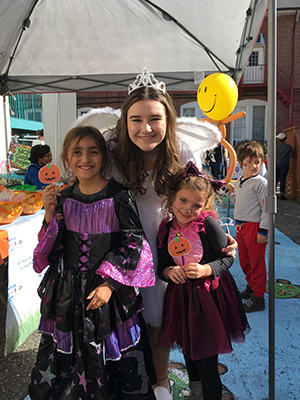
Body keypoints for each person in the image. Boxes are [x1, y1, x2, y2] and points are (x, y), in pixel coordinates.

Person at [103, 67, 237, 399]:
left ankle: (160, 379)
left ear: (168, 120)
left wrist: (218, 236)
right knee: (128, 311)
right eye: (136, 119)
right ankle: (131, 374)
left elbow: (198, 198)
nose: (145, 128)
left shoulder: (181, 152)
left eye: (154, 119)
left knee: (160, 312)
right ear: (125, 121)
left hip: (169, 238)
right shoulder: (111, 148)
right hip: (126, 236)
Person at [28, 126, 156, 400]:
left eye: (93, 151)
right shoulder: (63, 198)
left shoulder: (120, 196)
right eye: (77, 152)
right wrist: (50, 216)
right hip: (68, 294)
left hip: (108, 295)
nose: (85, 159)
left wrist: (110, 284)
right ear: (66, 159)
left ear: (103, 158)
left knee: (113, 359)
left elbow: (134, 242)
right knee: (68, 359)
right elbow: (52, 251)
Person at [157, 161, 249, 400]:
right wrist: (169, 272)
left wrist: (206, 269)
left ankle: (210, 395)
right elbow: (161, 266)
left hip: (209, 300)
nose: (188, 209)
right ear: (172, 198)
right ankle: (196, 394)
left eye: (197, 205)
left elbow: (227, 259)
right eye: (183, 201)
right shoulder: (166, 229)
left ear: (205, 205)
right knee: (189, 353)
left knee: (207, 359)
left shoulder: (207, 224)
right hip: (182, 301)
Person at [224, 141, 268, 312]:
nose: (253, 165)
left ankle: (258, 297)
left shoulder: (261, 183)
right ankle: (251, 288)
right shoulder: (241, 180)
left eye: (257, 162)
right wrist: (226, 192)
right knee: (245, 261)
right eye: (248, 162)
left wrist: (263, 230)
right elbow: (238, 201)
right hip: (240, 227)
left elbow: (267, 209)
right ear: (241, 163)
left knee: (256, 263)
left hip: (254, 228)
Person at [276, 132, 294, 200]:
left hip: (276, 164)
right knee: (283, 179)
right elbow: (292, 156)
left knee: (275, 179)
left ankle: (274, 193)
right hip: (284, 164)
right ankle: (281, 193)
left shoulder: (275, 146)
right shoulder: (288, 147)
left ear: (279, 139)